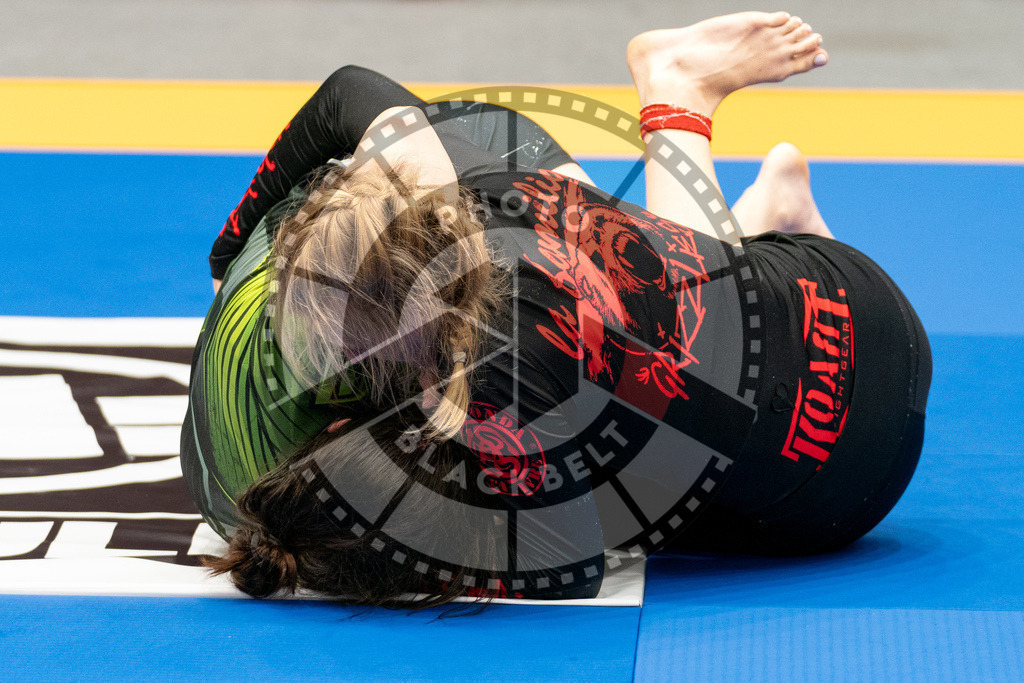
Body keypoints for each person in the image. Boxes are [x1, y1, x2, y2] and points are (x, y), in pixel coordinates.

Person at [181, 12, 931, 606]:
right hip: (848, 294)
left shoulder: (496, 409)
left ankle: (723, 164)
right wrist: (226, 259)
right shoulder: (472, 204)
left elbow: (566, 569)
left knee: (644, 434)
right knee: (560, 213)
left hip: (845, 492)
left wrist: (426, 525)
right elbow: (353, 90)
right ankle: (695, 125)